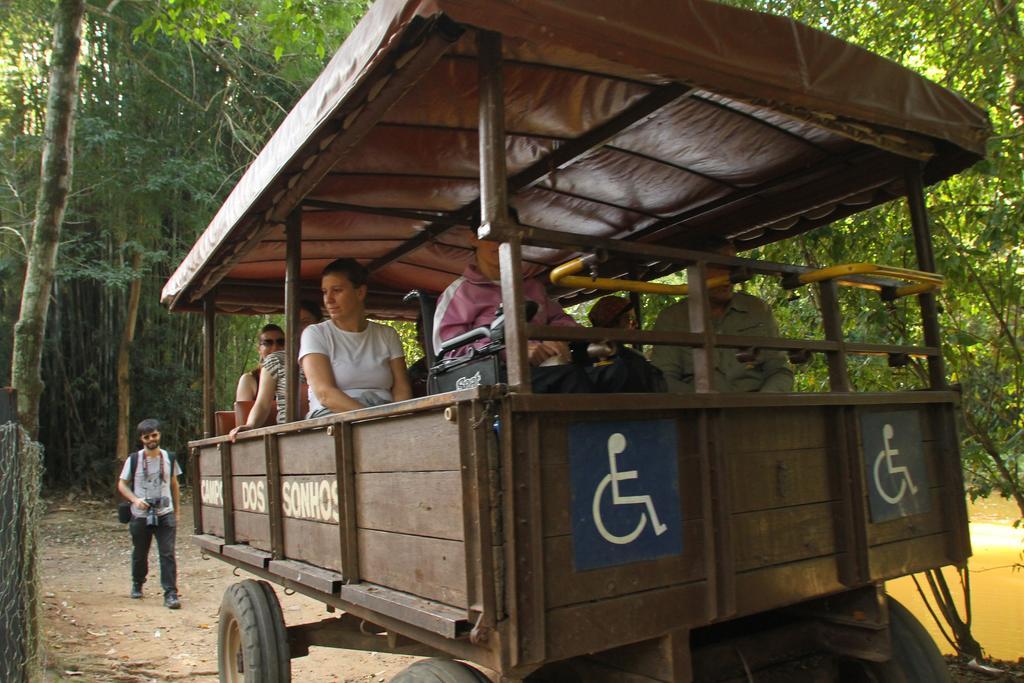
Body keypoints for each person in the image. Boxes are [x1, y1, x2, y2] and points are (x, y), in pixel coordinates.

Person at [433, 233, 593, 393]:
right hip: (492, 377)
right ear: (474, 239)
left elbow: (563, 320)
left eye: (509, 237)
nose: (501, 243)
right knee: (570, 377)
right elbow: (448, 353)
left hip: (548, 368)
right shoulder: (458, 293)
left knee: (614, 373)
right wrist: (511, 352)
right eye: (494, 235)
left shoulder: (533, 287)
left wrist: (554, 339)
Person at [649, 240, 793, 393]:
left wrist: (760, 405)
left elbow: (780, 371)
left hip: (756, 411)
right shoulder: (672, 318)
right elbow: (664, 380)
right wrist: (706, 403)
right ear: (695, 271)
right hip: (699, 412)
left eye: (731, 268)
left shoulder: (758, 310)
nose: (728, 276)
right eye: (718, 267)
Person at [300, 258, 412, 416]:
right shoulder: (315, 334)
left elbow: (402, 388)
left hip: (384, 411)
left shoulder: (387, 334)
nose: (328, 299)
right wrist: (372, 417)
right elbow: (325, 394)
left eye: (337, 290)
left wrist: (399, 416)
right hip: (333, 414)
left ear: (360, 292)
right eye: (325, 292)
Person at [229, 301, 323, 438]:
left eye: (305, 322)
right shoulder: (276, 360)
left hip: (327, 425)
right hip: (290, 433)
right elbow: (263, 403)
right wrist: (250, 425)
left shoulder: (333, 356)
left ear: (319, 324)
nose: (299, 328)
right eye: (294, 322)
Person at [116, 418, 182, 609]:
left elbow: (174, 484)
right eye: (147, 437)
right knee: (140, 553)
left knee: (167, 553)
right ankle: (137, 582)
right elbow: (121, 484)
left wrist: (177, 511)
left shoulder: (169, 457)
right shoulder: (134, 459)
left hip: (165, 512)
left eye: (154, 435)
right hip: (140, 514)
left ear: (159, 435)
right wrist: (135, 500)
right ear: (141, 439)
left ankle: (170, 593)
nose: (151, 439)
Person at [586, 295, 666, 393]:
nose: (636, 325)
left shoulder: (584, 351)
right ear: (613, 322)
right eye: (631, 319)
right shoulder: (631, 359)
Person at [235, 324, 285, 402]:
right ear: (259, 349)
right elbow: (244, 413)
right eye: (268, 343)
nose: (275, 347)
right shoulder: (249, 380)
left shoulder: (297, 377)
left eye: (281, 342)